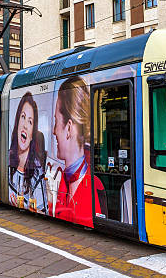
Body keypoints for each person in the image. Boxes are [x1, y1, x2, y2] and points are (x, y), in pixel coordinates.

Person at [49, 76, 107, 227]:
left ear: (68, 128)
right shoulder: (63, 178)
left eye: (56, 122)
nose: (54, 131)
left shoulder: (93, 186)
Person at [8, 92, 47, 213]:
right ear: (17, 123)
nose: (25, 125)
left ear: (32, 135)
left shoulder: (37, 171)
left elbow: (43, 210)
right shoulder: (5, 159)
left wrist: (28, 208)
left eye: (30, 122)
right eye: (23, 117)